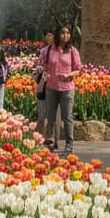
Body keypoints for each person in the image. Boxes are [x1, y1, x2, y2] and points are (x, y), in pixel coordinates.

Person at [42, 26, 82, 154]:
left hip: (67, 88)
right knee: (51, 116)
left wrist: (68, 75)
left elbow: (78, 69)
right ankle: (51, 142)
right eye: (63, 33)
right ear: (57, 34)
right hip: (51, 87)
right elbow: (42, 65)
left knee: (67, 117)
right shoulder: (48, 50)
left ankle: (69, 144)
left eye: (68, 33)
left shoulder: (72, 51)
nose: (65, 35)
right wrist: (43, 72)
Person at [34, 31, 55, 146]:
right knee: (42, 113)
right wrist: (40, 69)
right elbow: (38, 66)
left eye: (50, 35)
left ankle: (49, 137)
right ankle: (40, 137)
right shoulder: (44, 51)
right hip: (44, 83)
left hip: (55, 84)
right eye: (46, 35)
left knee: (51, 113)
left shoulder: (60, 51)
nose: (48, 37)